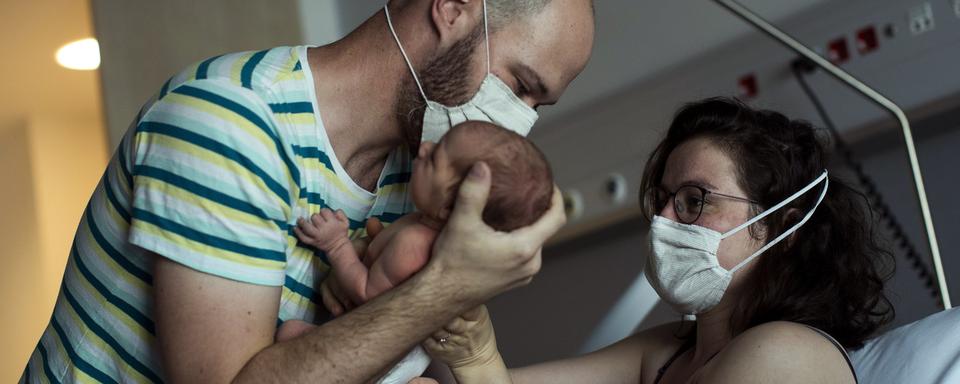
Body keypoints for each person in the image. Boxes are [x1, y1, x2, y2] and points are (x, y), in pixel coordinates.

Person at [19, 0, 595, 382]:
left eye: (536, 107)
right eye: (520, 87)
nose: (518, 123)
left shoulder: (424, 179)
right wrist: (443, 290)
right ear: (452, 7)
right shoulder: (229, 120)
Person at [419, 97, 894, 384]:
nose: (664, 219)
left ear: (782, 228)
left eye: (695, 199)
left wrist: (479, 359)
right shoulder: (669, 353)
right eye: (663, 198)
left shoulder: (785, 354)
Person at [276, 121, 554, 383]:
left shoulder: (415, 243)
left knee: (290, 334)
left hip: (380, 367)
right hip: (380, 349)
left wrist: (337, 245)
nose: (425, 147)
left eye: (434, 159)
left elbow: (366, 294)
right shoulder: (420, 225)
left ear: (448, 208)